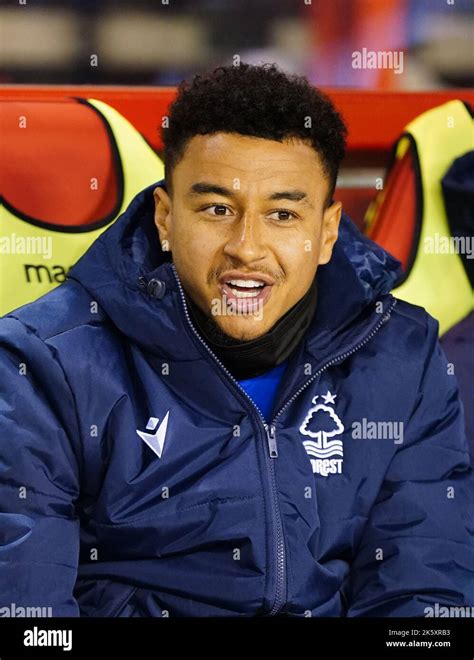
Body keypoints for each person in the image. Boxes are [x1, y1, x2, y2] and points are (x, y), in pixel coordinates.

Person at [0, 64, 472, 618]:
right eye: (217, 209)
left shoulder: (400, 354)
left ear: (325, 233)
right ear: (166, 218)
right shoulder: (42, 362)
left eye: (282, 214)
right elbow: (29, 620)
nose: (247, 248)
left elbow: (424, 596)